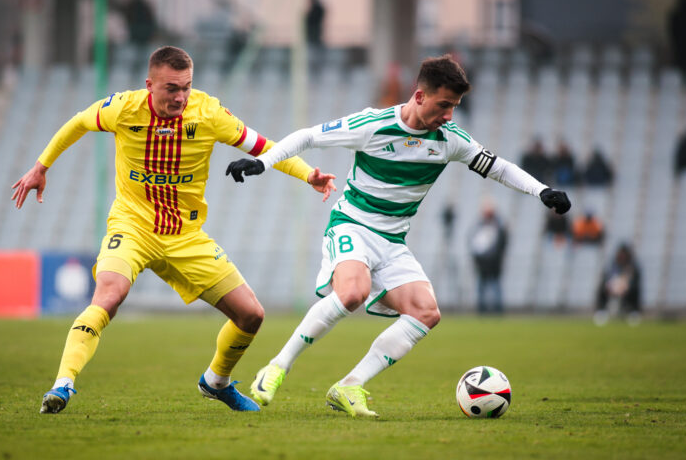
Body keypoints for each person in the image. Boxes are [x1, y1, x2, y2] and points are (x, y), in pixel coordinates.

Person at [225, 55, 571, 417]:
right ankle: (277, 367)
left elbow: (498, 167)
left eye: (455, 107)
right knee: (352, 292)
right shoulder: (373, 125)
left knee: (426, 312)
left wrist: (541, 191)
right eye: (444, 105)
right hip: (353, 225)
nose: (450, 115)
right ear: (419, 96)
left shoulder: (449, 140)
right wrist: (262, 163)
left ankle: (349, 386)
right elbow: (310, 136)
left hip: (392, 242)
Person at [11, 46, 336, 415]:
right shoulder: (123, 109)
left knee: (251, 315)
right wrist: (41, 167)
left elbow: (264, 146)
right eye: (170, 88)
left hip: (185, 236)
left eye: (186, 87)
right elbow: (78, 123)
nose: (180, 96)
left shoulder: (209, 113)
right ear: (149, 85)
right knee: (108, 297)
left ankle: (216, 382)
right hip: (132, 226)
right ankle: (62, 384)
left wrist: (308, 174)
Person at [469, 203, 508, 313]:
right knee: (483, 286)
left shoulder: (498, 227)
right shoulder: (480, 226)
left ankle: (497, 309)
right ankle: (482, 309)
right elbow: (473, 244)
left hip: (494, 264)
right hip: (482, 264)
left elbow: (501, 246)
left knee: (494, 286)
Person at [594, 243, 641, 326]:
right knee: (601, 288)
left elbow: (633, 281)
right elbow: (608, 278)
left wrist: (624, 287)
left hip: (627, 289)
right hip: (614, 288)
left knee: (635, 290)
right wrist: (611, 286)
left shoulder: (632, 267)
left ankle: (633, 312)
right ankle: (601, 311)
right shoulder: (613, 265)